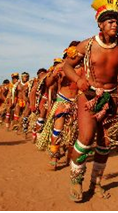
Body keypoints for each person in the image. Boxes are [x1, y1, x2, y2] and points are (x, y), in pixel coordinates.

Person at [63, 0, 118, 202]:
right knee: (86, 137)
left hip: (111, 99)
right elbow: (67, 66)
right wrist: (79, 81)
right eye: (110, 21)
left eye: (117, 21)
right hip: (90, 96)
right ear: (100, 24)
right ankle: (76, 178)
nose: (115, 24)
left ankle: (97, 182)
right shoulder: (87, 45)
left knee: (105, 143)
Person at [36, 43, 81, 171]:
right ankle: (54, 157)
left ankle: (70, 156)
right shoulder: (62, 67)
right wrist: (54, 73)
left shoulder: (85, 68)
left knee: (74, 132)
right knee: (58, 129)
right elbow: (49, 84)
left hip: (77, 103)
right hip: (62, 101)